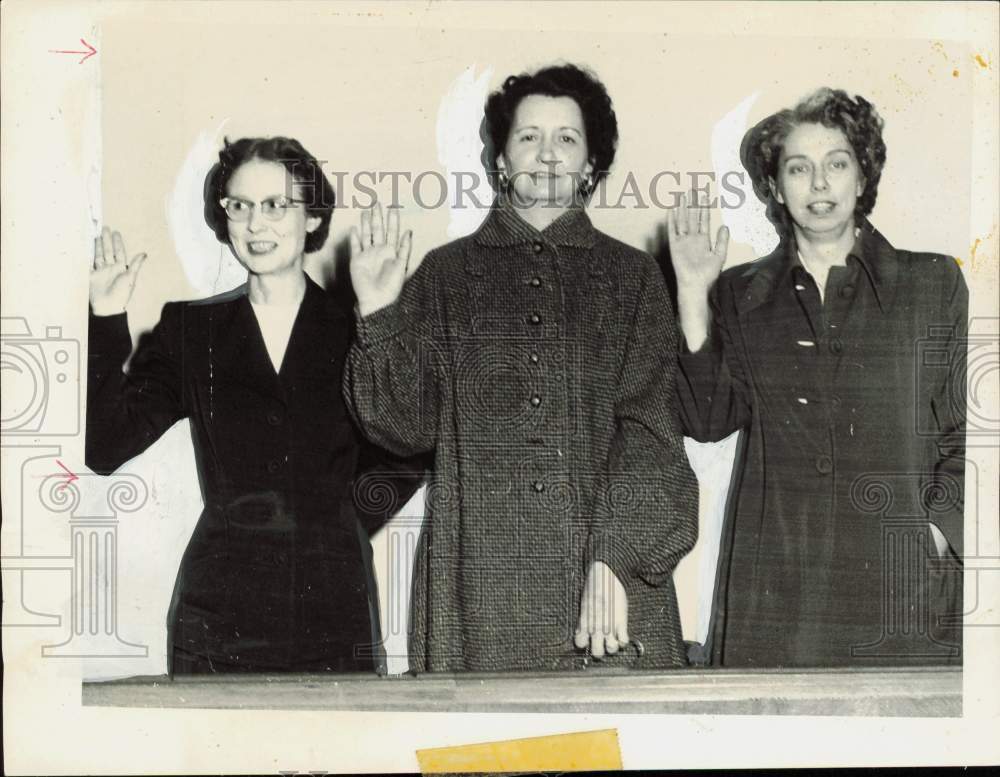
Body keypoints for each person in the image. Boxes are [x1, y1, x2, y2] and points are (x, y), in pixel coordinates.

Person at [343, 63, 699, 672]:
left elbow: (652, 436)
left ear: (591, 165)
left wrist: (615, 557)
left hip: (607, 596)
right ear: (502, 159)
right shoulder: (444, 274)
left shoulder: (632, 278)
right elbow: (404, 428)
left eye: (567, 138)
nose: (548, 154)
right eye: (529, 137)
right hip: (479, 596)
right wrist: (378, 312)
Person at [86, 136, 421, 674]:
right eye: (239, 206)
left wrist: (335, 524)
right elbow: (104, 446)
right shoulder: (191, 330)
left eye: (275, 206)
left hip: (333, 608)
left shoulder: (356, 328)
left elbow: (412, 446)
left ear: (312, 217)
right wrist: (105, 319)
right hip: (217, 618)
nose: (255, 225)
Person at [670, 88, 966, 667]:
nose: (820, 184)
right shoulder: (741, 293)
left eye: (837, 164)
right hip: (779, 592)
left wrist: (934, 534)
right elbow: (706, 421)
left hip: (899, 589)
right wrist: (692, 295)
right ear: (777, 189)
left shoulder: (932, 283)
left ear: (862, 175)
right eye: (799, 169)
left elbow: (966, 431)